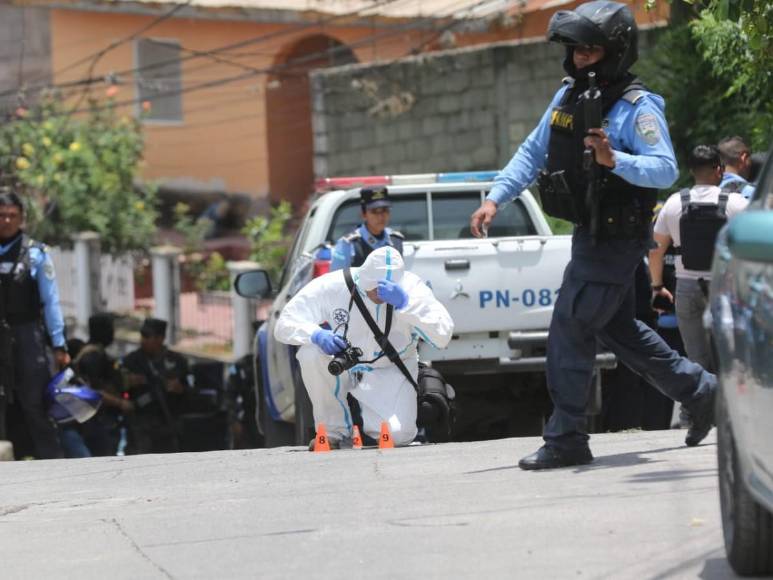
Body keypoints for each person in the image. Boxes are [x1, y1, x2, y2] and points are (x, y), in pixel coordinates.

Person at [469, 1, 717, 470]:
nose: (580, 57)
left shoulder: (637, 107)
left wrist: (614, 160)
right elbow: (532, 150)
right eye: (576, 48)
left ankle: (566, 437)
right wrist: (495, 198)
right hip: (589, 236)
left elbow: (664, 167)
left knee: (570, 325)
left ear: (615, 50)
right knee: (617, 329)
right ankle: (701, 391)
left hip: (617, 239)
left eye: (590, 49)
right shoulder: (567, 97)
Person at [274, 246, 453, 448]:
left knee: (397, 436)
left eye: (384, 289)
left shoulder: (412, 288)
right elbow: (284, 323)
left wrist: (406, 304)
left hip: (390, 367)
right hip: (344, 363)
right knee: (310, 352)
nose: (379, 293)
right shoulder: (333, 284)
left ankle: (377, 423)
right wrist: (316, 334)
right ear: (363, 278)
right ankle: (334, 432)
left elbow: (443, 335)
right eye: (373, 288)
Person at [649, 145, 748, 372]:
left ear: (692, 171)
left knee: (696, 359)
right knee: (729, 359)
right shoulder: (737, 203)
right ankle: (726, 403)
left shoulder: (674, 203)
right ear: (719, 170)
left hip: (686, 287)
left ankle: (698, 405)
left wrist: (657, 287)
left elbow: (655, 251)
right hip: (726, 287)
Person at [0, 190, 68, 459]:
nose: (6, 221)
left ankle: (52, 463)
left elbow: (51, 302)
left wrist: (59, 343)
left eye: (12, 216)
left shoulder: (37, 254)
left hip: (27, 335)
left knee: (34, 403)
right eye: (1, 216)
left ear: (22, 218)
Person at [122, 318, 190, 454]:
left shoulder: (176, 361)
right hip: (140, 423)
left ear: (160, 338)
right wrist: (127, 383)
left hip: (169, 422)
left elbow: (189, 390)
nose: (143, 340)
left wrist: (179, 388)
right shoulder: (132, 360)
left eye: (148, 337)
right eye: (142, 336)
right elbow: (119, 389)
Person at [73, 313, 134, 456]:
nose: (112, 333)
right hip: (97, 422)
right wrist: (121, 403)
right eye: (110, 328)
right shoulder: (92, 357)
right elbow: (94, 392)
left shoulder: (97, 353)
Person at [329, 186, 404, 271]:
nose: (380, 216)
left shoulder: (396, 241)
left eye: (384, 210)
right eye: (374, 211)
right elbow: (337, 279)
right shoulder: (349, 244)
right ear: (364, 215)